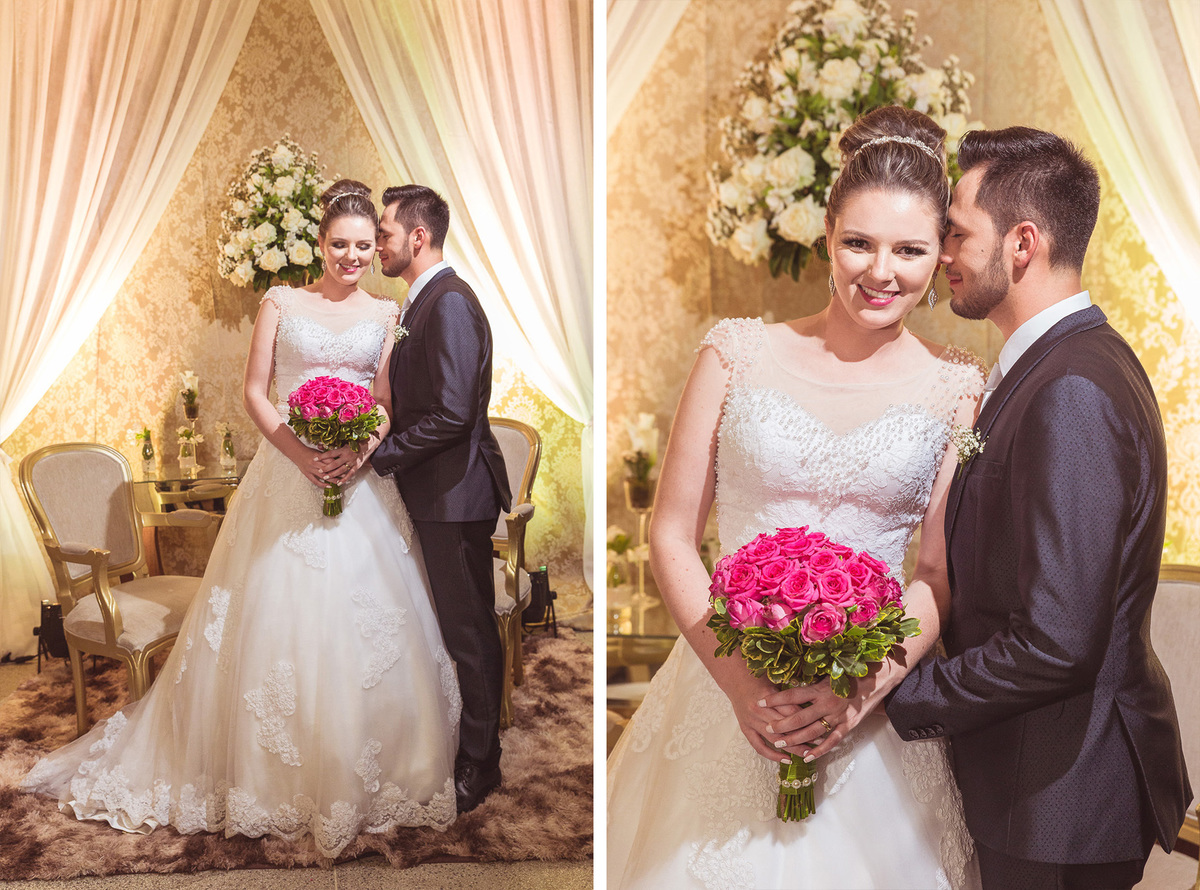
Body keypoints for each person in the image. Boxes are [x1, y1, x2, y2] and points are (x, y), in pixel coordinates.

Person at [20, 180, 460, 857]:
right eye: (340, 244)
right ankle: (260, 776)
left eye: (365, 246)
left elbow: (384, 401)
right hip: (285, 478)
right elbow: (256, 392)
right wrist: (299, 454)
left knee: (365, 630)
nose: (352, 256)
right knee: (269, 625)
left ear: (379, 247)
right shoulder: (281, 302)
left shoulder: (386, 312)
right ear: (321, 243)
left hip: (359, 480)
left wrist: (357, 453)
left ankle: (368, 772)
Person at [607, 105, 984, 889]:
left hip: (867, 703)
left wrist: (852, 695)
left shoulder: (958, 388)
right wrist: (744, 689)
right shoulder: (735, 353)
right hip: (721, 684)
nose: (881, 272)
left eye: (909, 250)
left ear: (938, 255)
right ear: (826, 236)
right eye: (860, 243)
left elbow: (938, 578)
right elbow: (673, 535)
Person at [886, 127, 1192, 890]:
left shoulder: (1071, 391)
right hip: (1039, 779)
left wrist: (892, 694)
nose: (943, 253)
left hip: (1059, 793)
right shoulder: (1061, 363)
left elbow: (1057, 643)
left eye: (957, 232)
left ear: (1022, 244)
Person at [369, 184, 511, 814]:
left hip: (454, 497)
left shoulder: (448, 304)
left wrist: (383, 457)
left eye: (385, 234)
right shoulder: (421, 303)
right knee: (451, 627)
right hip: (435, 494)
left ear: (417, 237)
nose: (378, 246)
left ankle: (481, 767)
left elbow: (454, 414)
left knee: (469, 631)